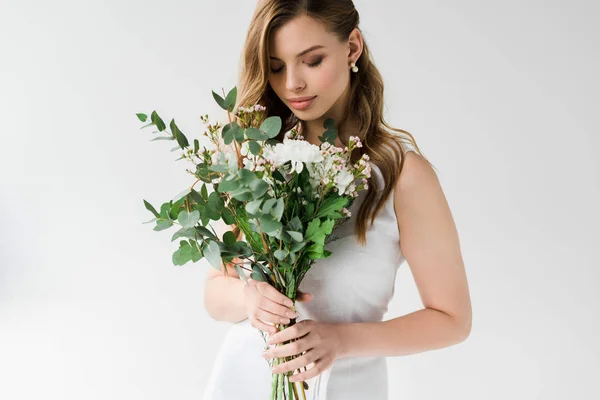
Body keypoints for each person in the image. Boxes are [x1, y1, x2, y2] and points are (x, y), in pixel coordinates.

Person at [202, 1, 472, 399]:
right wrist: (248, 296)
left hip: (346, 387)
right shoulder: (254, 156)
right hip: (243, 381)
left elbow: (452, 319)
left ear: (352, 47)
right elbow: (213, 294)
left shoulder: (402, 175)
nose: (292, 83)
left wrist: (342, 341)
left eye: (311, 61)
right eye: (276, 67)